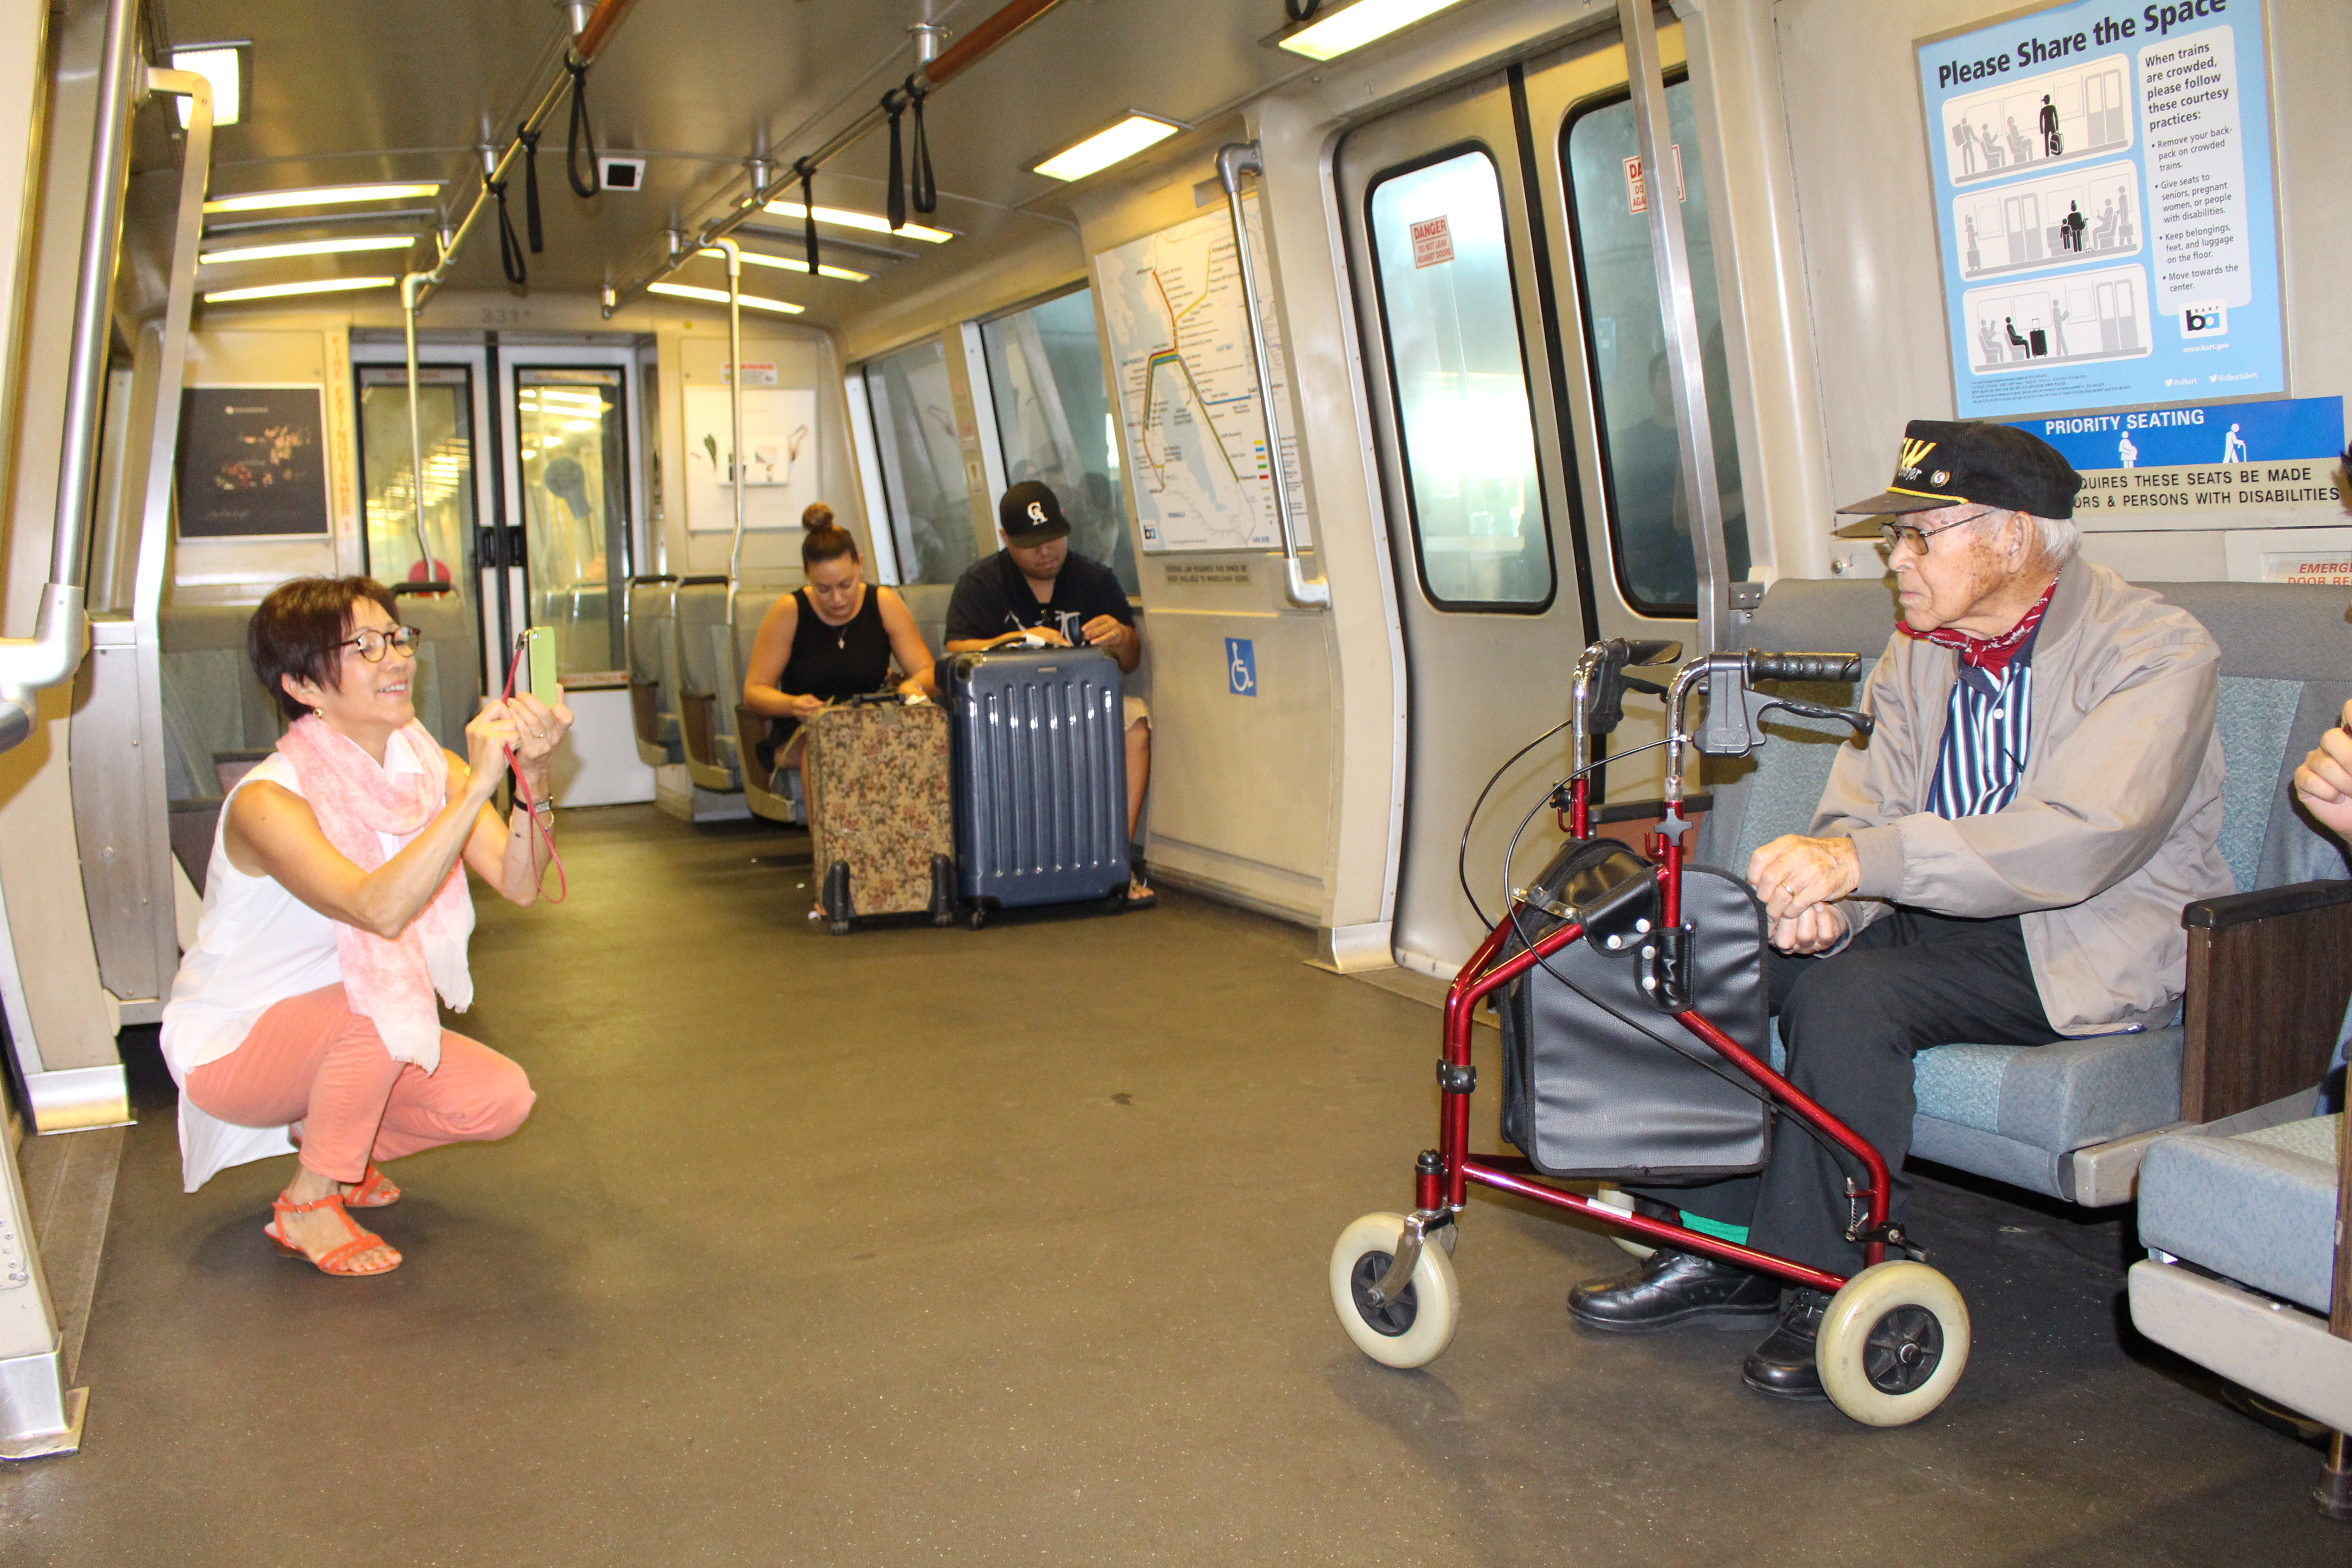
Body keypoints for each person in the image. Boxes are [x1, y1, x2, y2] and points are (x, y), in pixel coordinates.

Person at [1566, 421, 2229, 1401]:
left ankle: (1829, 1276)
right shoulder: (1922, 649)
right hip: (1927, 904)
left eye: (1921, 537)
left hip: (2074, 940)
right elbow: (1866, 803)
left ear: (2010, 537)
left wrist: (1859, 865)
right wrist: (1832, 898)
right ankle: (1715, 1242)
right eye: (1894, 541)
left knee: (1854, 1001)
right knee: (1700, 951)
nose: (1898, 565)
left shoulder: (2156, 650)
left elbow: (2082, 838)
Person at [161, 576, 568, 1277]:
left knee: (499, 1100)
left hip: (353, 1028)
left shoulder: (426, 766)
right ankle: (310, 1201)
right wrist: (475, 788)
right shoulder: (269, 800)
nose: (397, 659)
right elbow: (378, 910)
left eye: (397, 637)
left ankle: (329, 1138)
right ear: (302, 685)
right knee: (383, 1001)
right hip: (236, 1042)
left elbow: (521, 884)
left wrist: (531, 776)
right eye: (365, 646)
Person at [943, 480, 1154, 907]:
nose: (1046, 551)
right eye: (1032, 544)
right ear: (1006, 540)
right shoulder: (981, 583)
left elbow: (1130, 659)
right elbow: (955, 652)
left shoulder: (1094, 579)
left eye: (1053, 538)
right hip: (1004, 715)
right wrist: (1018, 640)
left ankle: (1116, 861)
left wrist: (1121, 637)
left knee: (1136, 721)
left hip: (1079, 708)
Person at [741, 503, 938, 800]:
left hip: (872, 721)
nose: (837, 599)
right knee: (827, 746)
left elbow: (928, 671)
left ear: (860, 564)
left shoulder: (884, 603)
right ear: (807, 575)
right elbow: (755, 691)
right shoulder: (789, 612)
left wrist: (913, 686)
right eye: (823, 589)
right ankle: (830, 846)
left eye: (846, 585)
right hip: (806, 728)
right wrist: (793, 705)